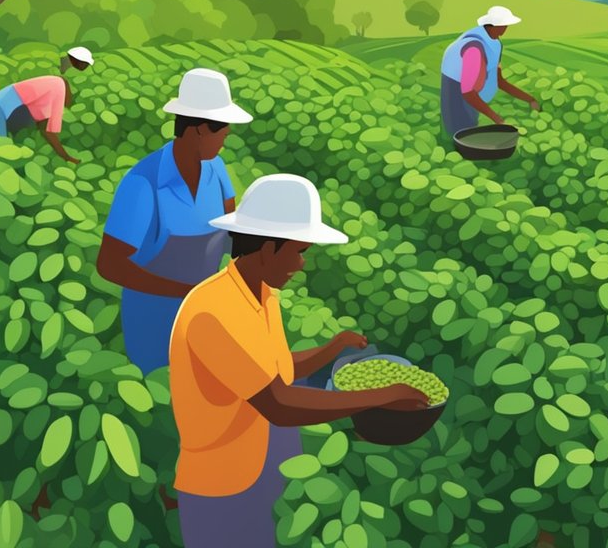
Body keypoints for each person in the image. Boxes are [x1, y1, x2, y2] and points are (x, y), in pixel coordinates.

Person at [169, 174, 429, 547]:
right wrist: (380, 397)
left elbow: (274, 369)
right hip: (222, 485)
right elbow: (277, 402)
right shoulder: (212, 311)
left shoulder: (262, 295)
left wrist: (333, 348)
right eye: (298, 250)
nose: (302, 263)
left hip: (265, 466)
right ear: (267, 249)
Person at [98, 69, 252, 375]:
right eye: (222, 129)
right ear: (198, 130)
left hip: (205, 314)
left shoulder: (217, 170)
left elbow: (232, 236)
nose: (226, 137)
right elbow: (110, 264)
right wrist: (185, 291)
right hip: (154, 320)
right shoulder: (143, 183)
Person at [439, 5, 540, 143]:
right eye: (503, 25)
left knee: (471, 127)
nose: (505, 28)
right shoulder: (474, 50)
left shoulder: (495, 44)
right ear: (492, 25)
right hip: (455, 89)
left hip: (470, 93)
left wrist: (530, 99)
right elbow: (468, 92)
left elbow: (500, 81)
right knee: (458, 133)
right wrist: (498, 119)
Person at [0, 46, 94, 162]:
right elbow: (48, 131)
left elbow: (42, 126)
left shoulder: (52, 84)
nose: (65, 108)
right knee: (2, 154)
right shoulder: (58, 91)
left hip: (3, 105)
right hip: (1, 110)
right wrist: (67, 157)